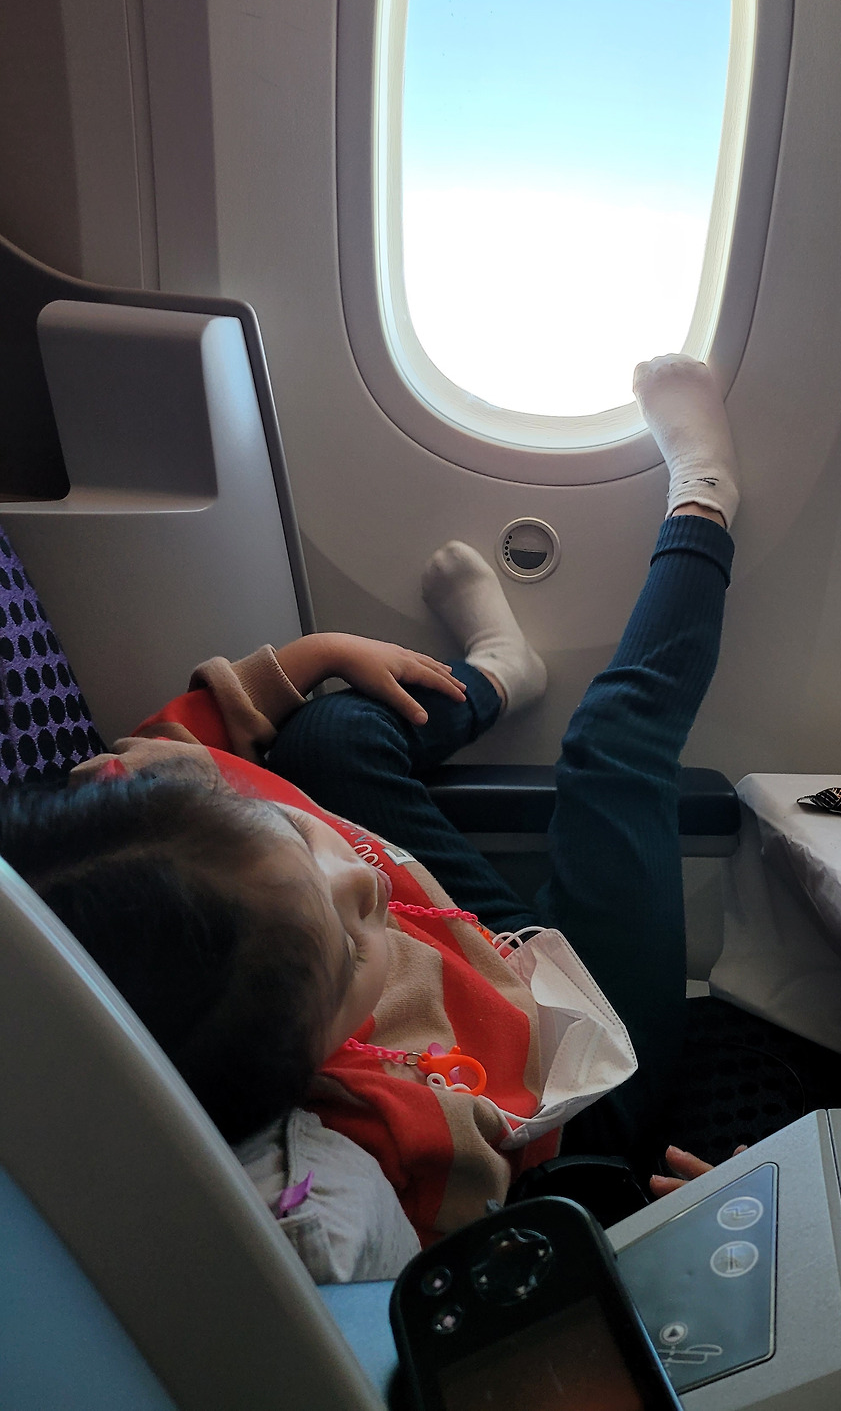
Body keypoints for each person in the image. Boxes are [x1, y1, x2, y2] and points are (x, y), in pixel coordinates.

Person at [0, 356, 741, 1266]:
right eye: (353, 951)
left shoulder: (136, 799)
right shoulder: (380, 1123)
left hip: (464, 941)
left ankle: (499, 674)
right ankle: (705, 497)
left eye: (295, 837)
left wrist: (313, 653)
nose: (364, 883)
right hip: (577, 1057)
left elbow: (196, 732)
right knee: (613, 744)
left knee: (328, 733)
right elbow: (496, 1227)